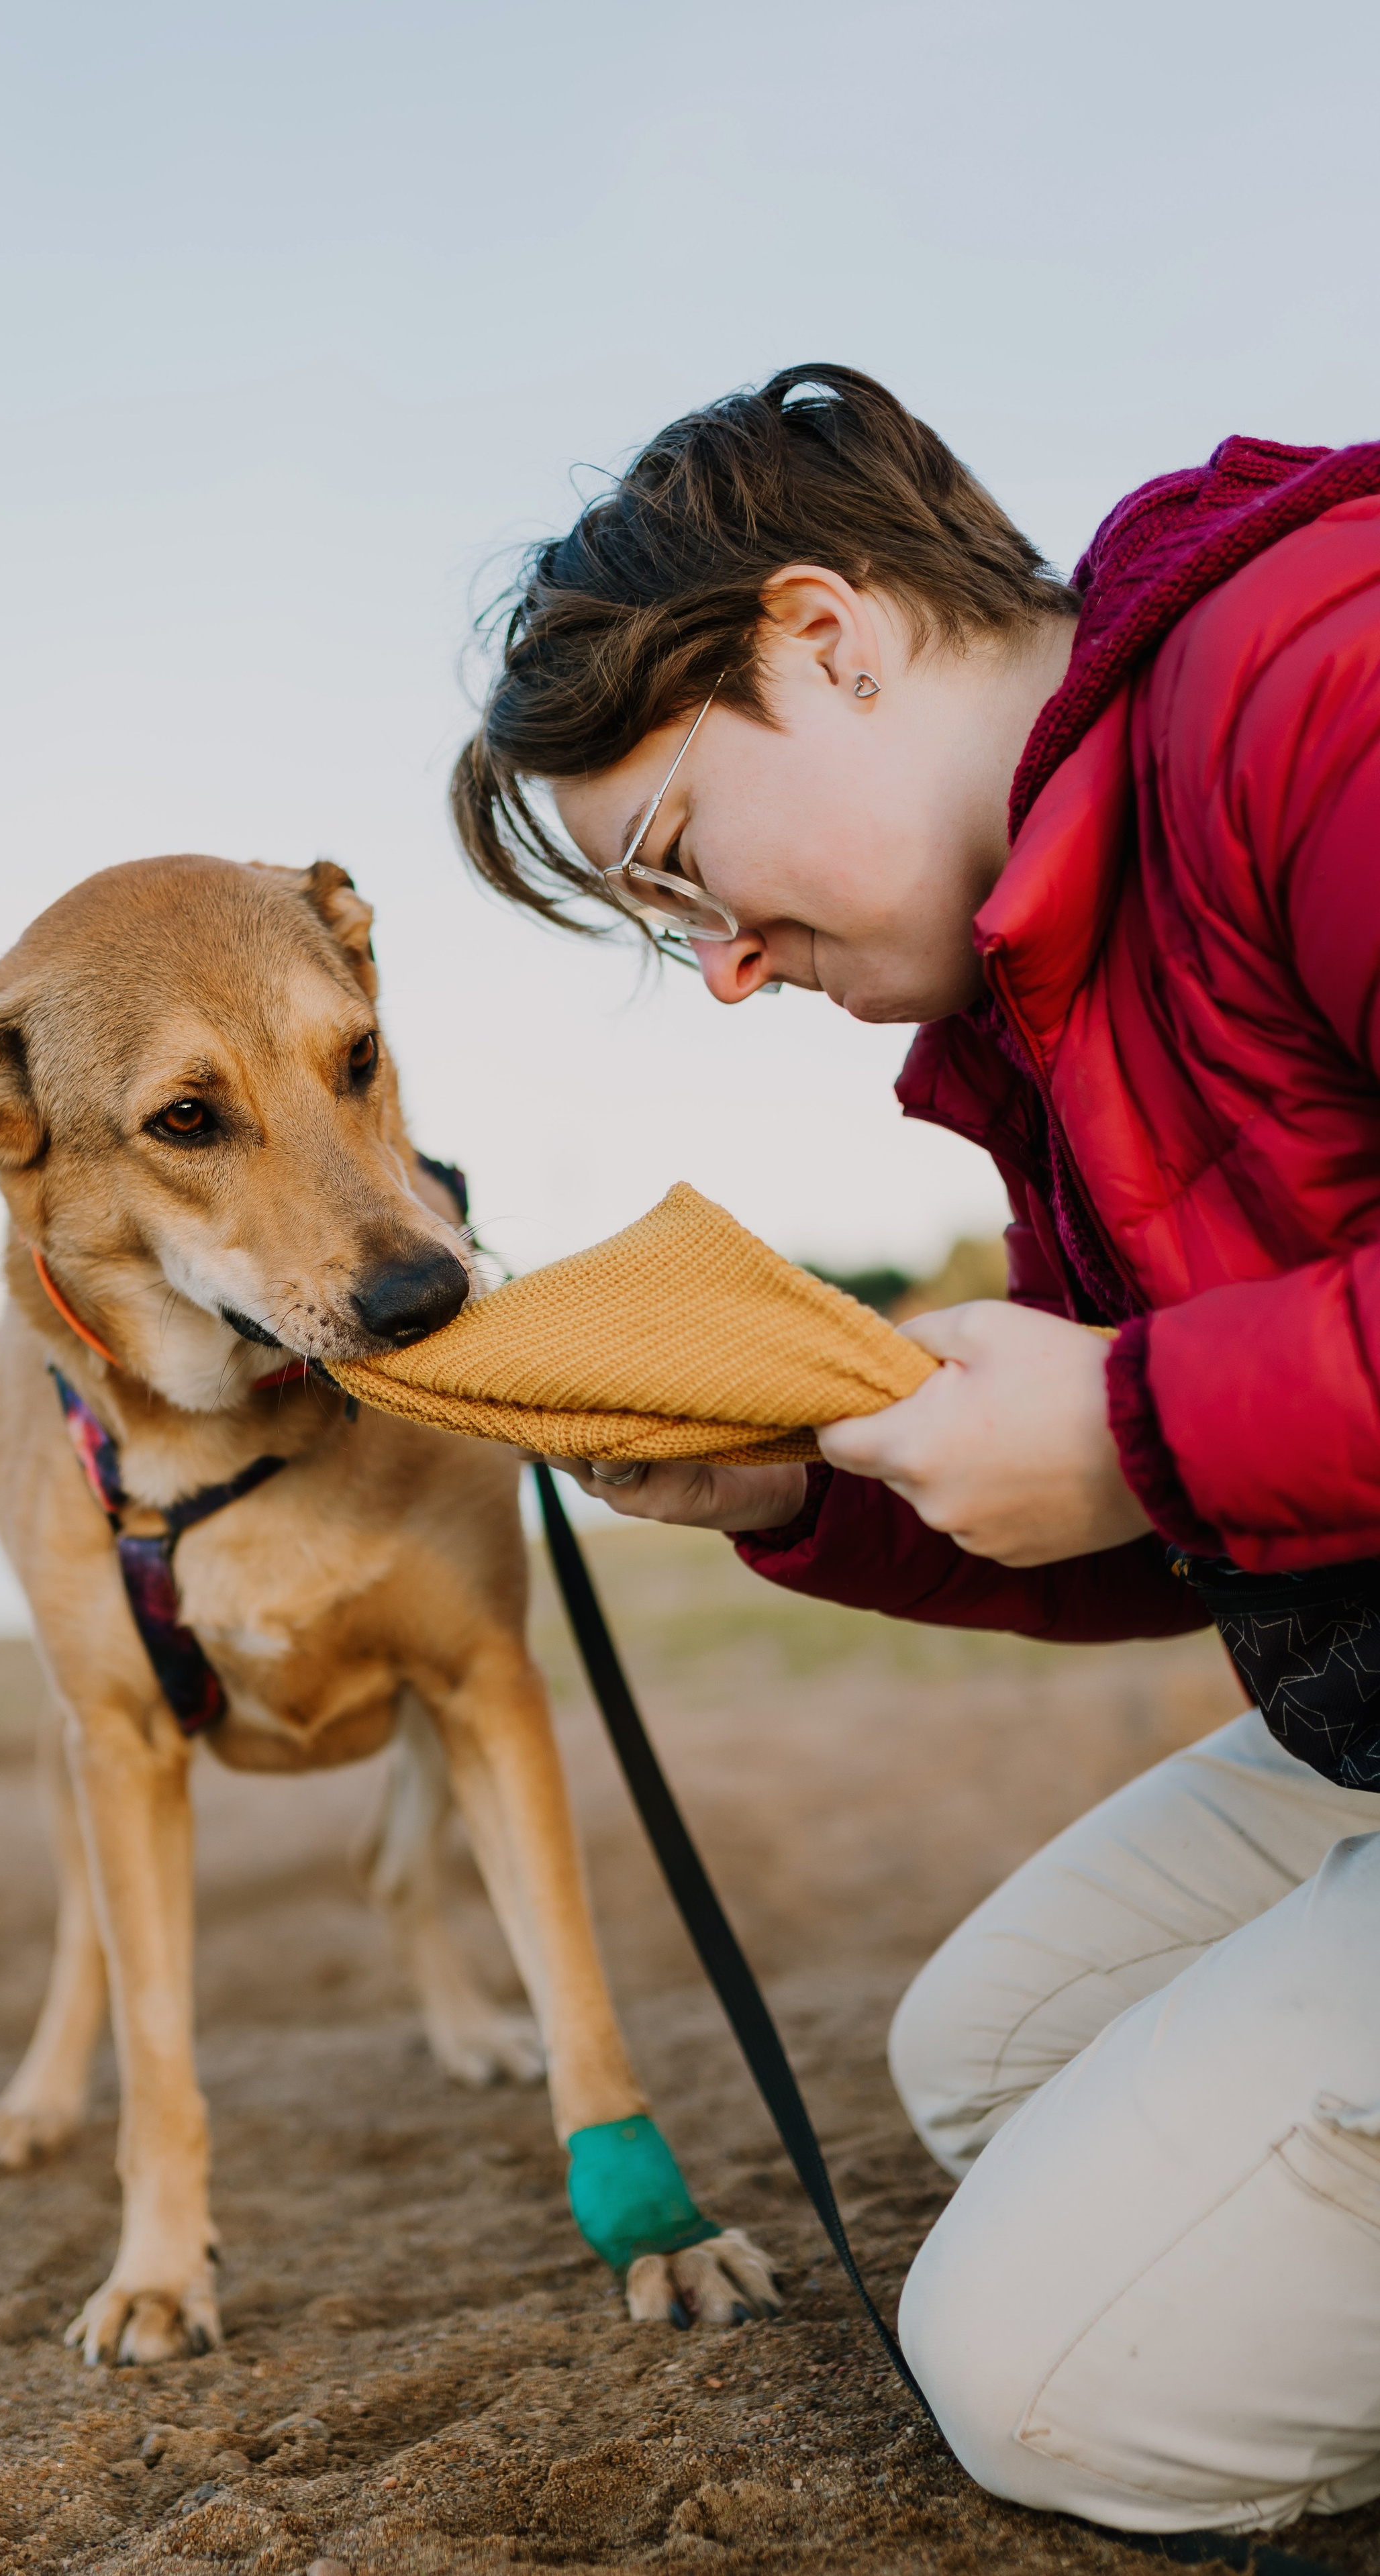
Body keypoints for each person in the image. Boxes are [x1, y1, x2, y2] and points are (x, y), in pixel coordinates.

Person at [450, 364, 1380, 2542]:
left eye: (679, 864)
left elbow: (1165, 1449)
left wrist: (1137, 1420)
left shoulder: (1318, 679)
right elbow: (1213, 1525)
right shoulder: (1035, 1014)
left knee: (1046, 2390)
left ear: (830, 637)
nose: (724, 971)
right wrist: (805, 1491)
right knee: (987, 2067)